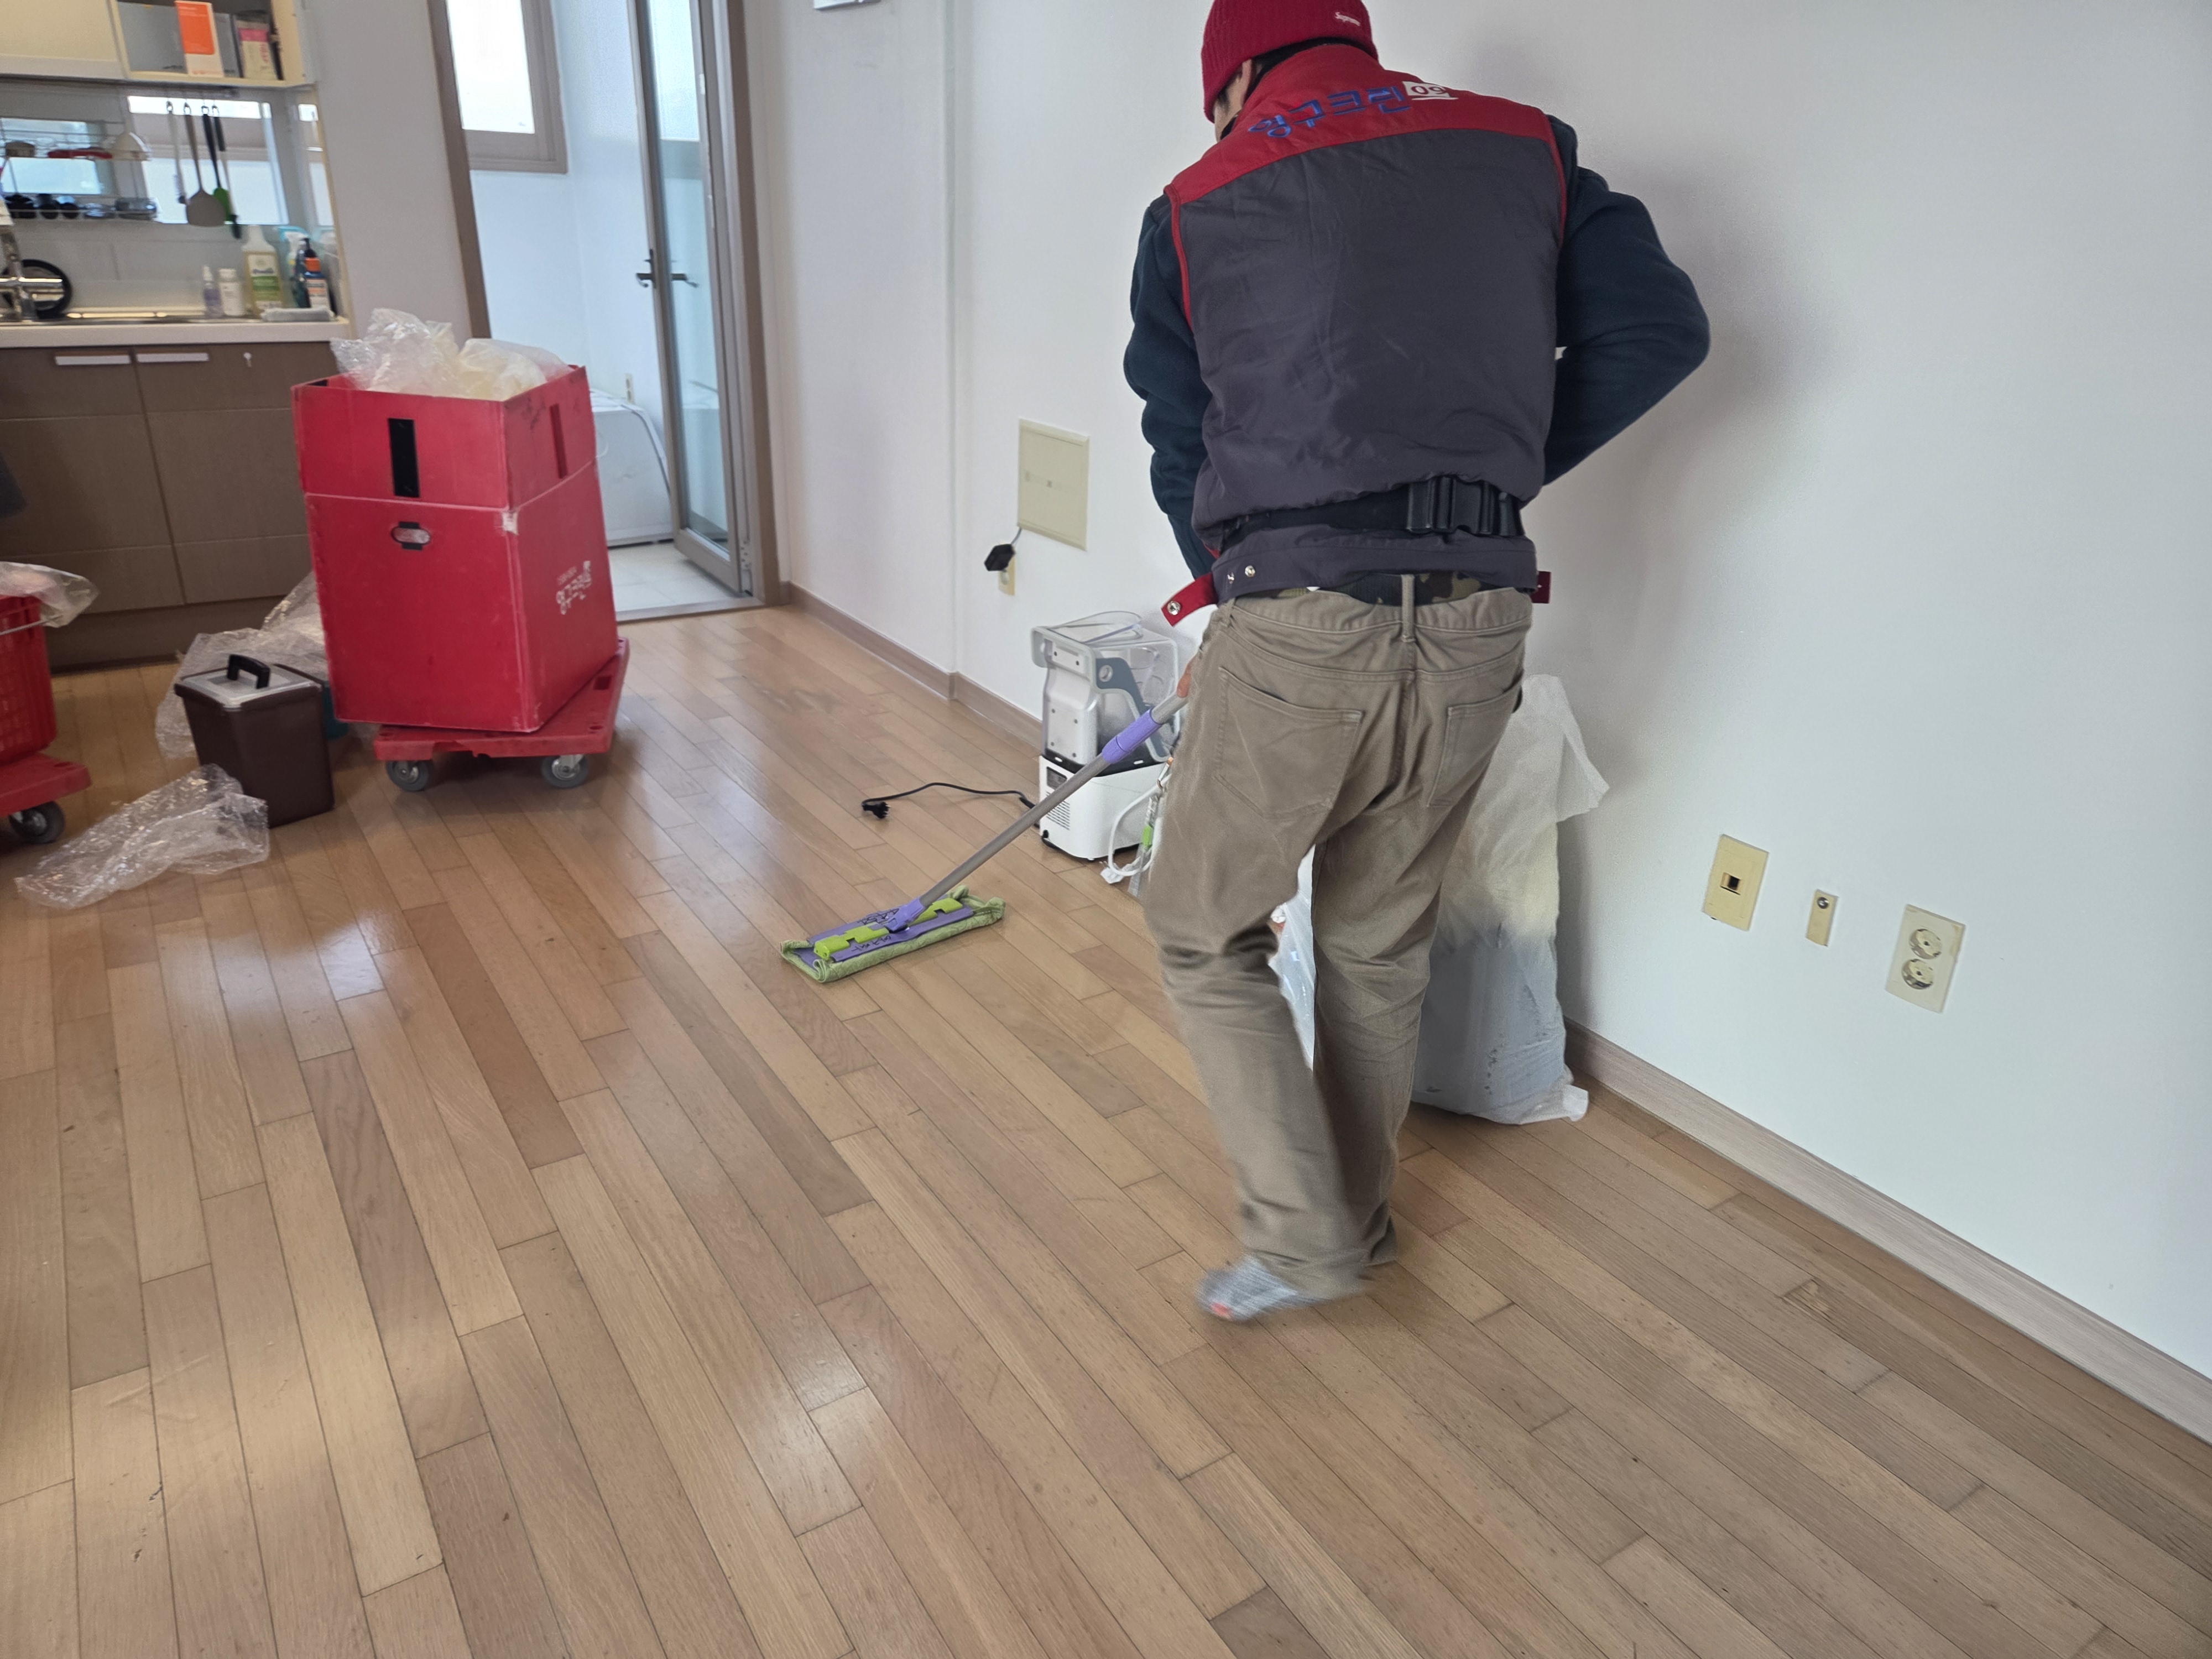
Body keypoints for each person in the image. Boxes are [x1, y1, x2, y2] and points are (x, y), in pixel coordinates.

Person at [1126, 0, 1708, 1321]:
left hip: (1297, 618)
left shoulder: (1195, 203)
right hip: (1477, 612)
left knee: (1201, 927)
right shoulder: (1528, 146)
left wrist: (1231, 592)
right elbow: (1658, 333)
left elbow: (1182, 436)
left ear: (1233, 79)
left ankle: (1305, 1243)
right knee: (1376, 942)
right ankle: (1358, 1224)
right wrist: (1479, 474)